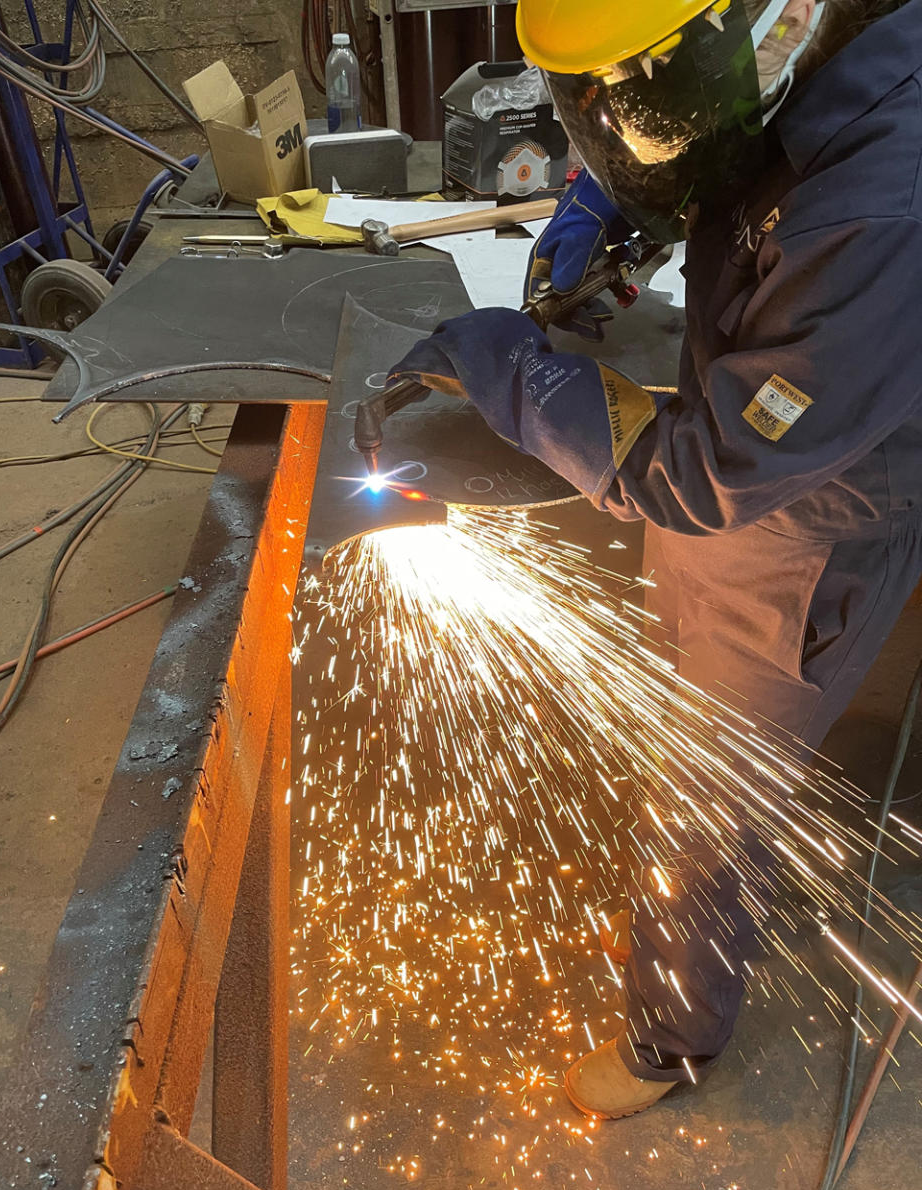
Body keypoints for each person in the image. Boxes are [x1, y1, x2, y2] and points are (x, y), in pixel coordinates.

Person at [388, 0, 922, 1119]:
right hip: (784, 457)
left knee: (704, 795)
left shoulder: (878, 210)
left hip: (803, 529)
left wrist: (513, 370)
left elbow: (706, 467)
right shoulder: (810, 57)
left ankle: (672, 1037)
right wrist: (607, 197)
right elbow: (733, 149)